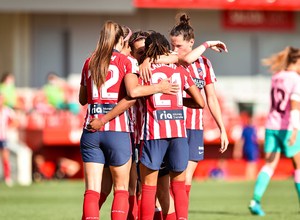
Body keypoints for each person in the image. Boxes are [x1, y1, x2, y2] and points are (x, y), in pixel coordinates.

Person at [80, 21, 177, 220]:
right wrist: (159, 87)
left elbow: (83, 99)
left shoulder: (89, 62)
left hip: (91, 130)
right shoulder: (126, 62)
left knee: (92, 190)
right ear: (122, 41)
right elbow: (132, 95)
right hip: (118, 131)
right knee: (123, 189)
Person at [137, 32, 205, 220]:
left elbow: (134, 93)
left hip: (153, 133)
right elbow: (200, 102)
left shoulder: (144, 70)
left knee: (149, 188)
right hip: (178, 134)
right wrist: (178, 101)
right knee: (179, 187)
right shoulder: (179, 71)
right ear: (166, 47)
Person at [248, 46, 300, 216]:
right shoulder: (295, 79)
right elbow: (294, 106)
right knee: (298, 166)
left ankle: (255, 200)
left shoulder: (276, 76)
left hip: (271, 126)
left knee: (269, 165)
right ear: (297, 61)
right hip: (286, 127)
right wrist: (295, 130)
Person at [233, 111, 260, 180]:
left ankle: (250, 177)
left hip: (248, 148)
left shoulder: (246, 129)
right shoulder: (252, 129)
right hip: (252, 148)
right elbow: (255, 140)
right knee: (252, 163)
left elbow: (241, 140)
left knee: (251, 163)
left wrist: (238, 150)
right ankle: (251, 177)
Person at [0, 92, 17, 186]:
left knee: (5, 158)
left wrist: (8, 127)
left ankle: (7, 178)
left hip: (3, 137)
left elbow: (15, 121)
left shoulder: (7, 110)